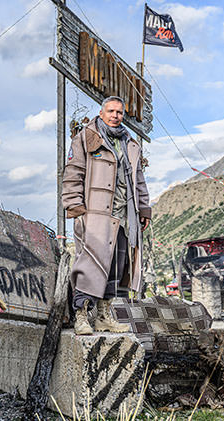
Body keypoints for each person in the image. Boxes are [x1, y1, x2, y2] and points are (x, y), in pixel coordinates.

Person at [62, 96, 151, 335]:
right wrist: (75, 207)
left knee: (115, 266)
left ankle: (103, 316)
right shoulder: (85, 139)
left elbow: (139, 181)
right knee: (89, 263)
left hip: (123, 216)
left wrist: (143, 209)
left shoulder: (130, 145)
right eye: (111, 111)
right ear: (101, 113)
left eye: (119, 112)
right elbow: (73, 173)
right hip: (94, 214)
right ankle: (81, 316)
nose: (115, 116)